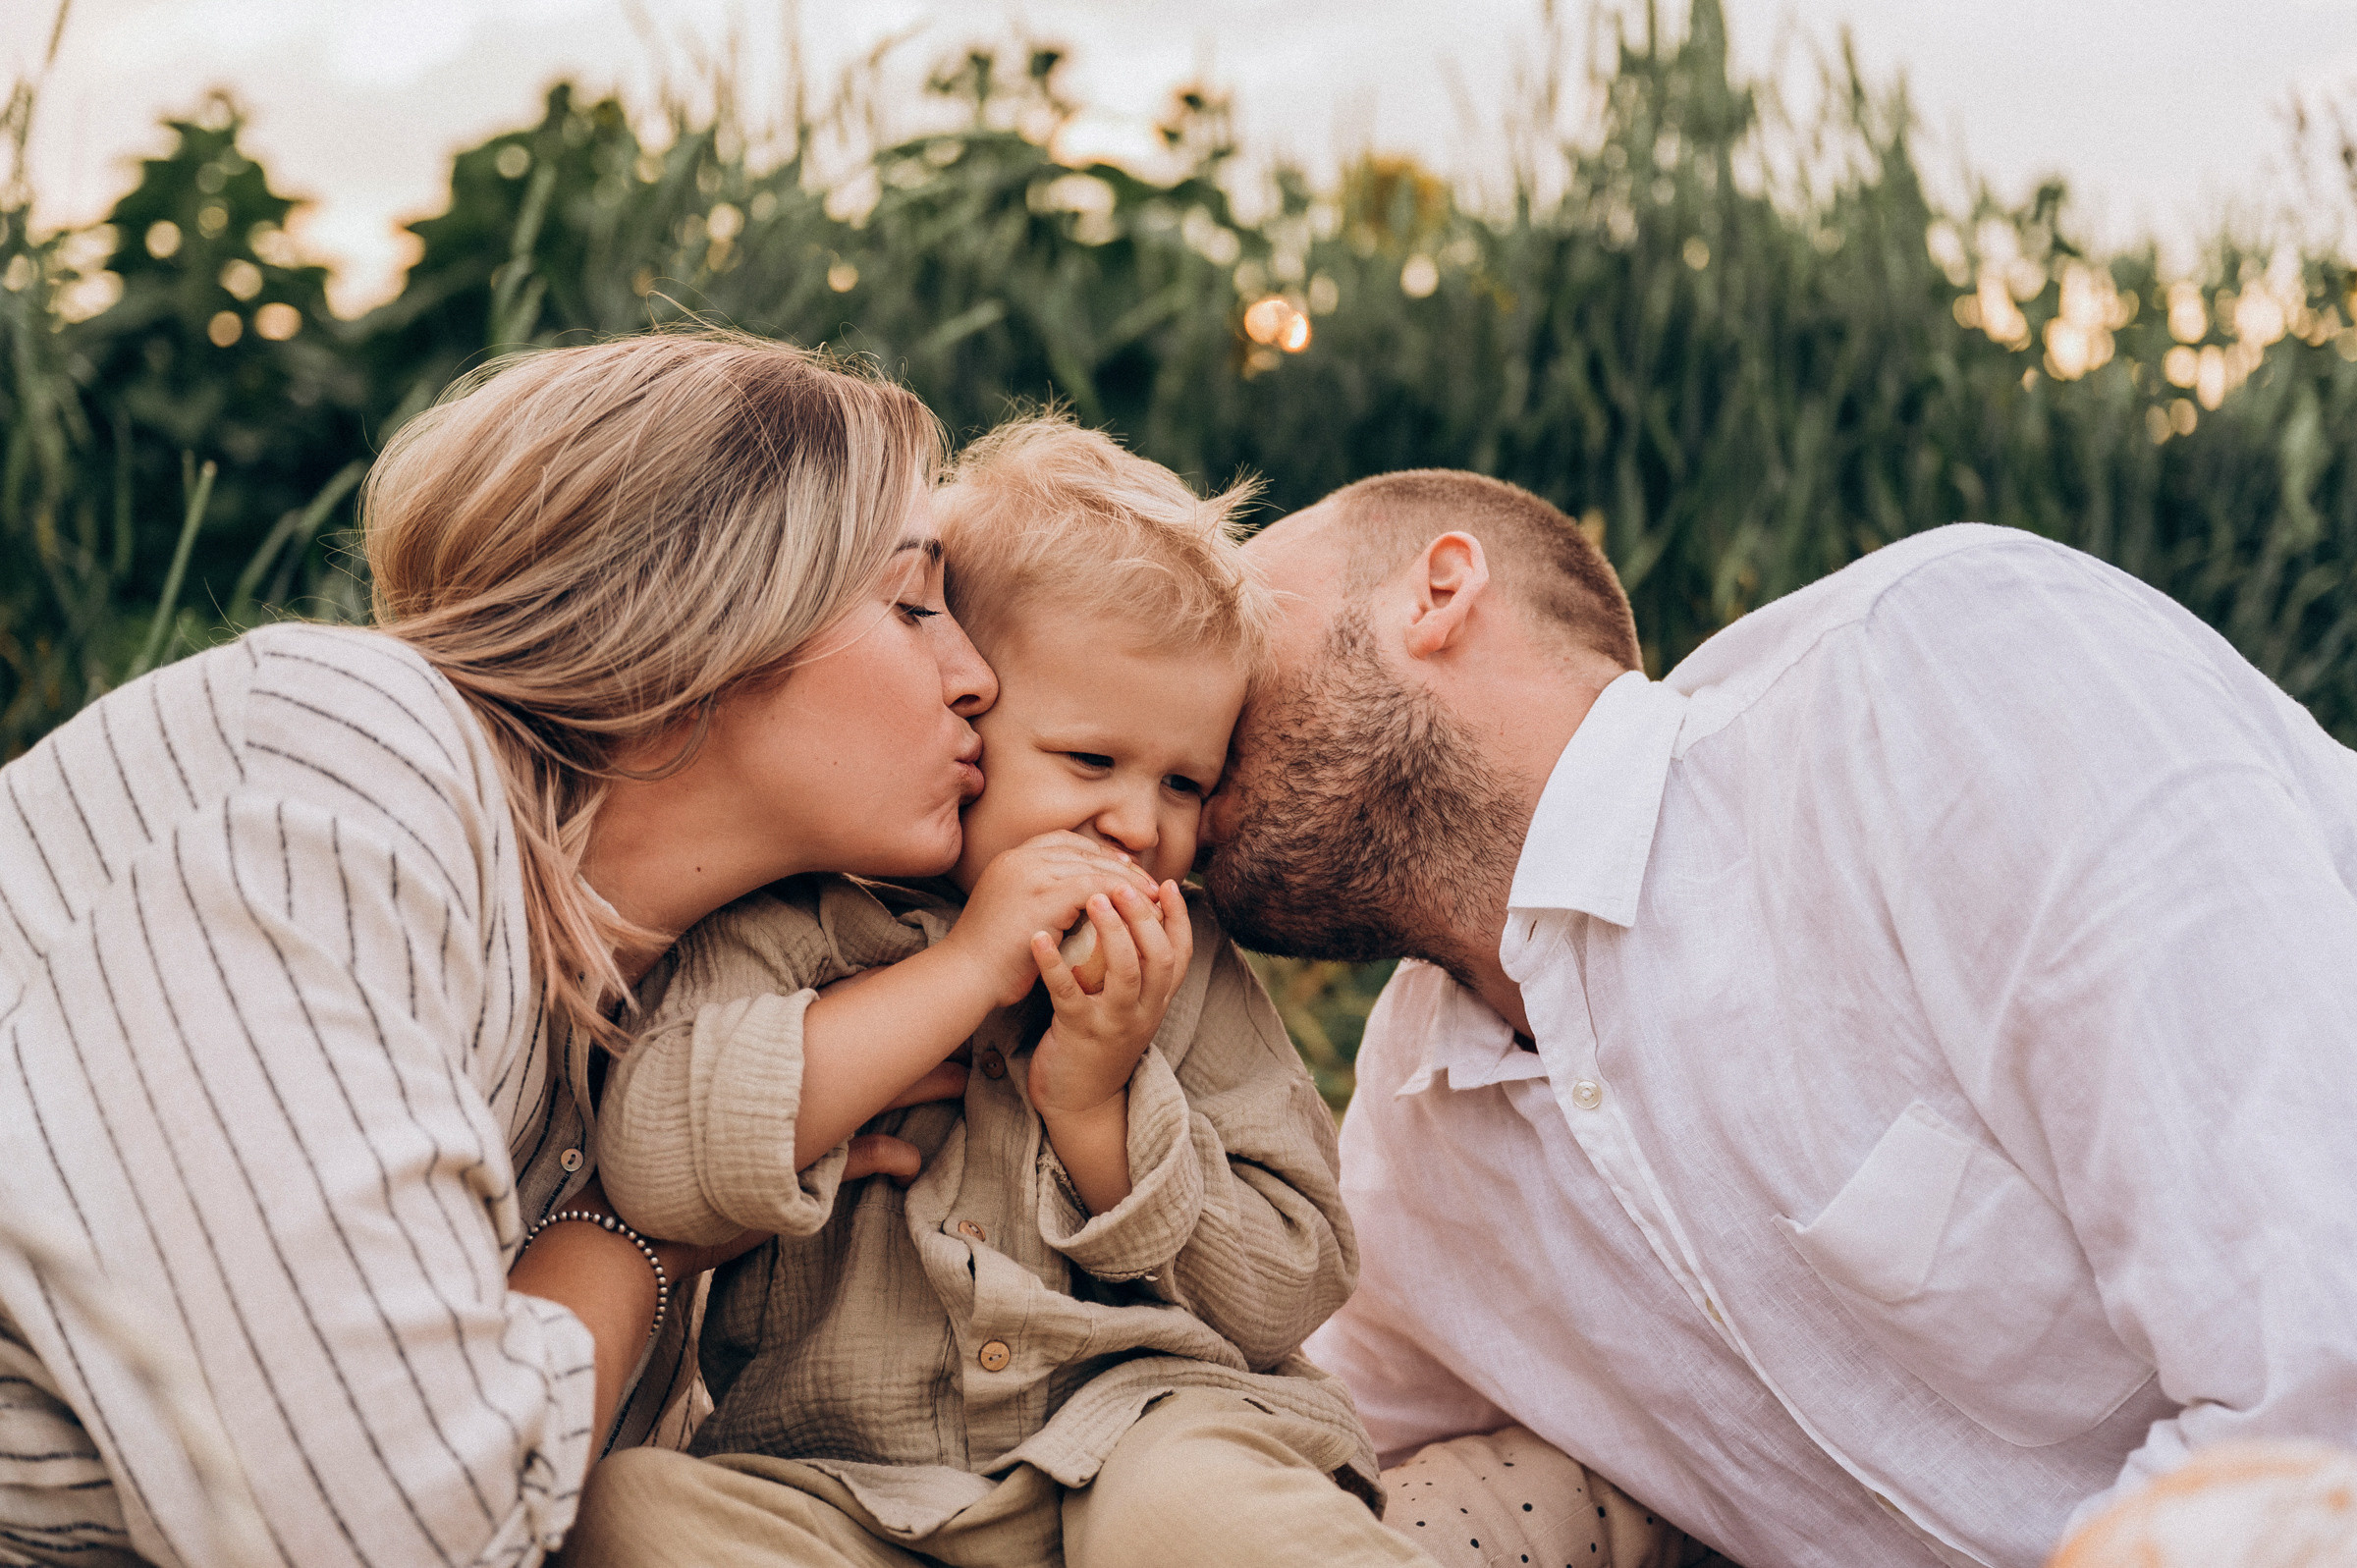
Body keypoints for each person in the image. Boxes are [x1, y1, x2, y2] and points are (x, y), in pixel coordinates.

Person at [0, 333, 1148, 1568]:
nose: (977, 678)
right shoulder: (341, 756)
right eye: (914, 603)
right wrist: (637, 1234)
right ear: (701, 603)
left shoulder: (634, 1011)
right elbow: (406, 1535)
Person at [1199, 469, 2357, 1568]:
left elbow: (2321, 1381)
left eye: (1232, 625)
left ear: (1437, 592)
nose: (1180, 690)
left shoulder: (1935, 677)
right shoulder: (1421, 1132)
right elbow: (1257, 1435)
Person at [560, 417, 1423, 1568]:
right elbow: (660, 1161)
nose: (1139, 821)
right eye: (1088, 761)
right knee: (634, 1513)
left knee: (1184, 1509)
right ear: (964, 726)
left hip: (1143, 1434)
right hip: (847, 1486)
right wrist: (963, 971)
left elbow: (1290, 1285)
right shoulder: (790, 922)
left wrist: (1098, 1109)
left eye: (1184, 781)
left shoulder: (1185, 965)